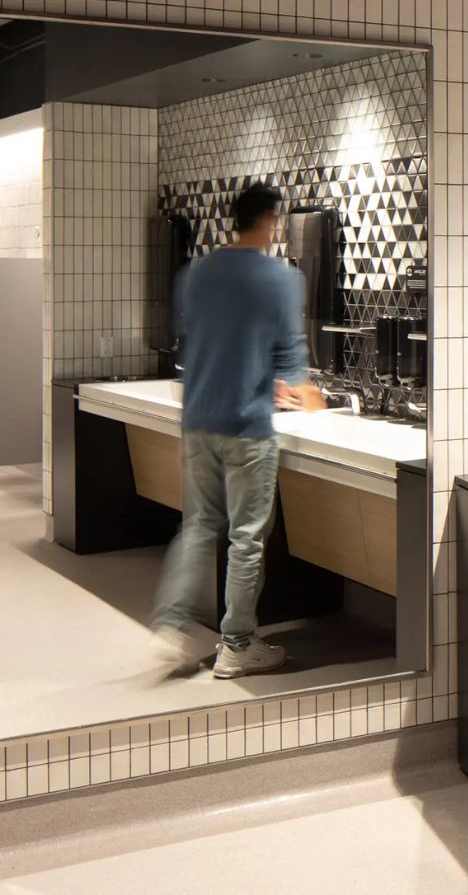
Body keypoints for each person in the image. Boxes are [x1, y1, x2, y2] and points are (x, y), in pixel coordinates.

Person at [153, 182, 323, 679]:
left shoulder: (197, 273)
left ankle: (170, 625)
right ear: (271, 220)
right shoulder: (279, 278)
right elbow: (291, 352)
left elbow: (196, 340)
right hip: (246, 426)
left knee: (200, 526)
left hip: (198, 416)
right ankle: (237, 645)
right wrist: (306, 394)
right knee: (246, 537)